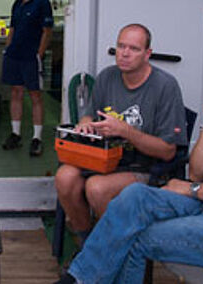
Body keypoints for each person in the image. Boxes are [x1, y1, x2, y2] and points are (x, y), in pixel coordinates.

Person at [57, 46, 203, 284]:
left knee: (137, 235)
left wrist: (193, 190)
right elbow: (198, 173)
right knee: (136, 195)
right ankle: (80, 278)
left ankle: (79, 279)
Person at [54, 24, 187, 246]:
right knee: (64, 178)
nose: (124, 53)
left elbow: (167, 151)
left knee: (97, 188)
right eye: (121, 46)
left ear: (147, 54)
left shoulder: (165, 86)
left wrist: (126, 131)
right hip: (105, 158)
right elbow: (89, 115)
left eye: (134, 49)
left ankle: (117, 247)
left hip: (143, 165)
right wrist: (85, 124)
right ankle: (88, 242)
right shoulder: (107, 77)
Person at [1, 0, 54, 157]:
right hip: (14, 56)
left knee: (35, 96)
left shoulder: (41, 2)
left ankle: (37, 138)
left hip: (31, 57)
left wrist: (39, 55)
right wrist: (7, 50)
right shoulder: (17, 4)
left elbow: (47, 31)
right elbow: (13, 29)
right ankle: (15, 134)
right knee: (15, 92)